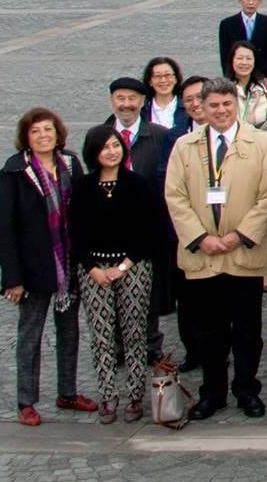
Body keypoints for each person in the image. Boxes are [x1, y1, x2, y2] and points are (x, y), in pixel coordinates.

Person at [162, 79, 267, 419]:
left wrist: (239, 235)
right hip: (202, 257)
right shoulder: (185, 146)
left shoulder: (261, 142)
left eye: (227, 104)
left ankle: (246, 388)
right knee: (207, 331)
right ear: (202, 107)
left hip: (243, 254)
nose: (221, 111)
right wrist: (201, 238)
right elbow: (175, 197)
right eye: (213, 105)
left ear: (237, 105)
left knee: (247, 331)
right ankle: (211, 392)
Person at [0, 108, 97, 426]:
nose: (43, 136)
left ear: (58, 133)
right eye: (36, 131)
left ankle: (66, 392)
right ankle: (25, 401)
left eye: (48, 130)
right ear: (26, 137)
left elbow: (84, 209)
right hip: (33, 269)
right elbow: (5, 227)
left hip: (68, 265)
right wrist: (12, 278)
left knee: (69, 332)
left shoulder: (70, 163)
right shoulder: (15, 171)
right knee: (30, 335)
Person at [69, 124, 155, 423]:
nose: (112, 151)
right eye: (105, 147)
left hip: (132, 266)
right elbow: (75, 234)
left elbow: (148, 233)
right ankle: (107, 396)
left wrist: (122, 268)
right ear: (94, 152)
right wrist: (93, 269)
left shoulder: (137, 184)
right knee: (102, 335)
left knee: (134, 333)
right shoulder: (82, 187)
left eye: (116, 145)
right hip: (93, 271)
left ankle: (134, 395)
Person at [226, 42, 267, 127]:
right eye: (240, 58)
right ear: (232, 61)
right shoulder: (225, 89)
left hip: (263, 137)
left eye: (249, 58)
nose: (244, 62)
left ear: (255, 62)